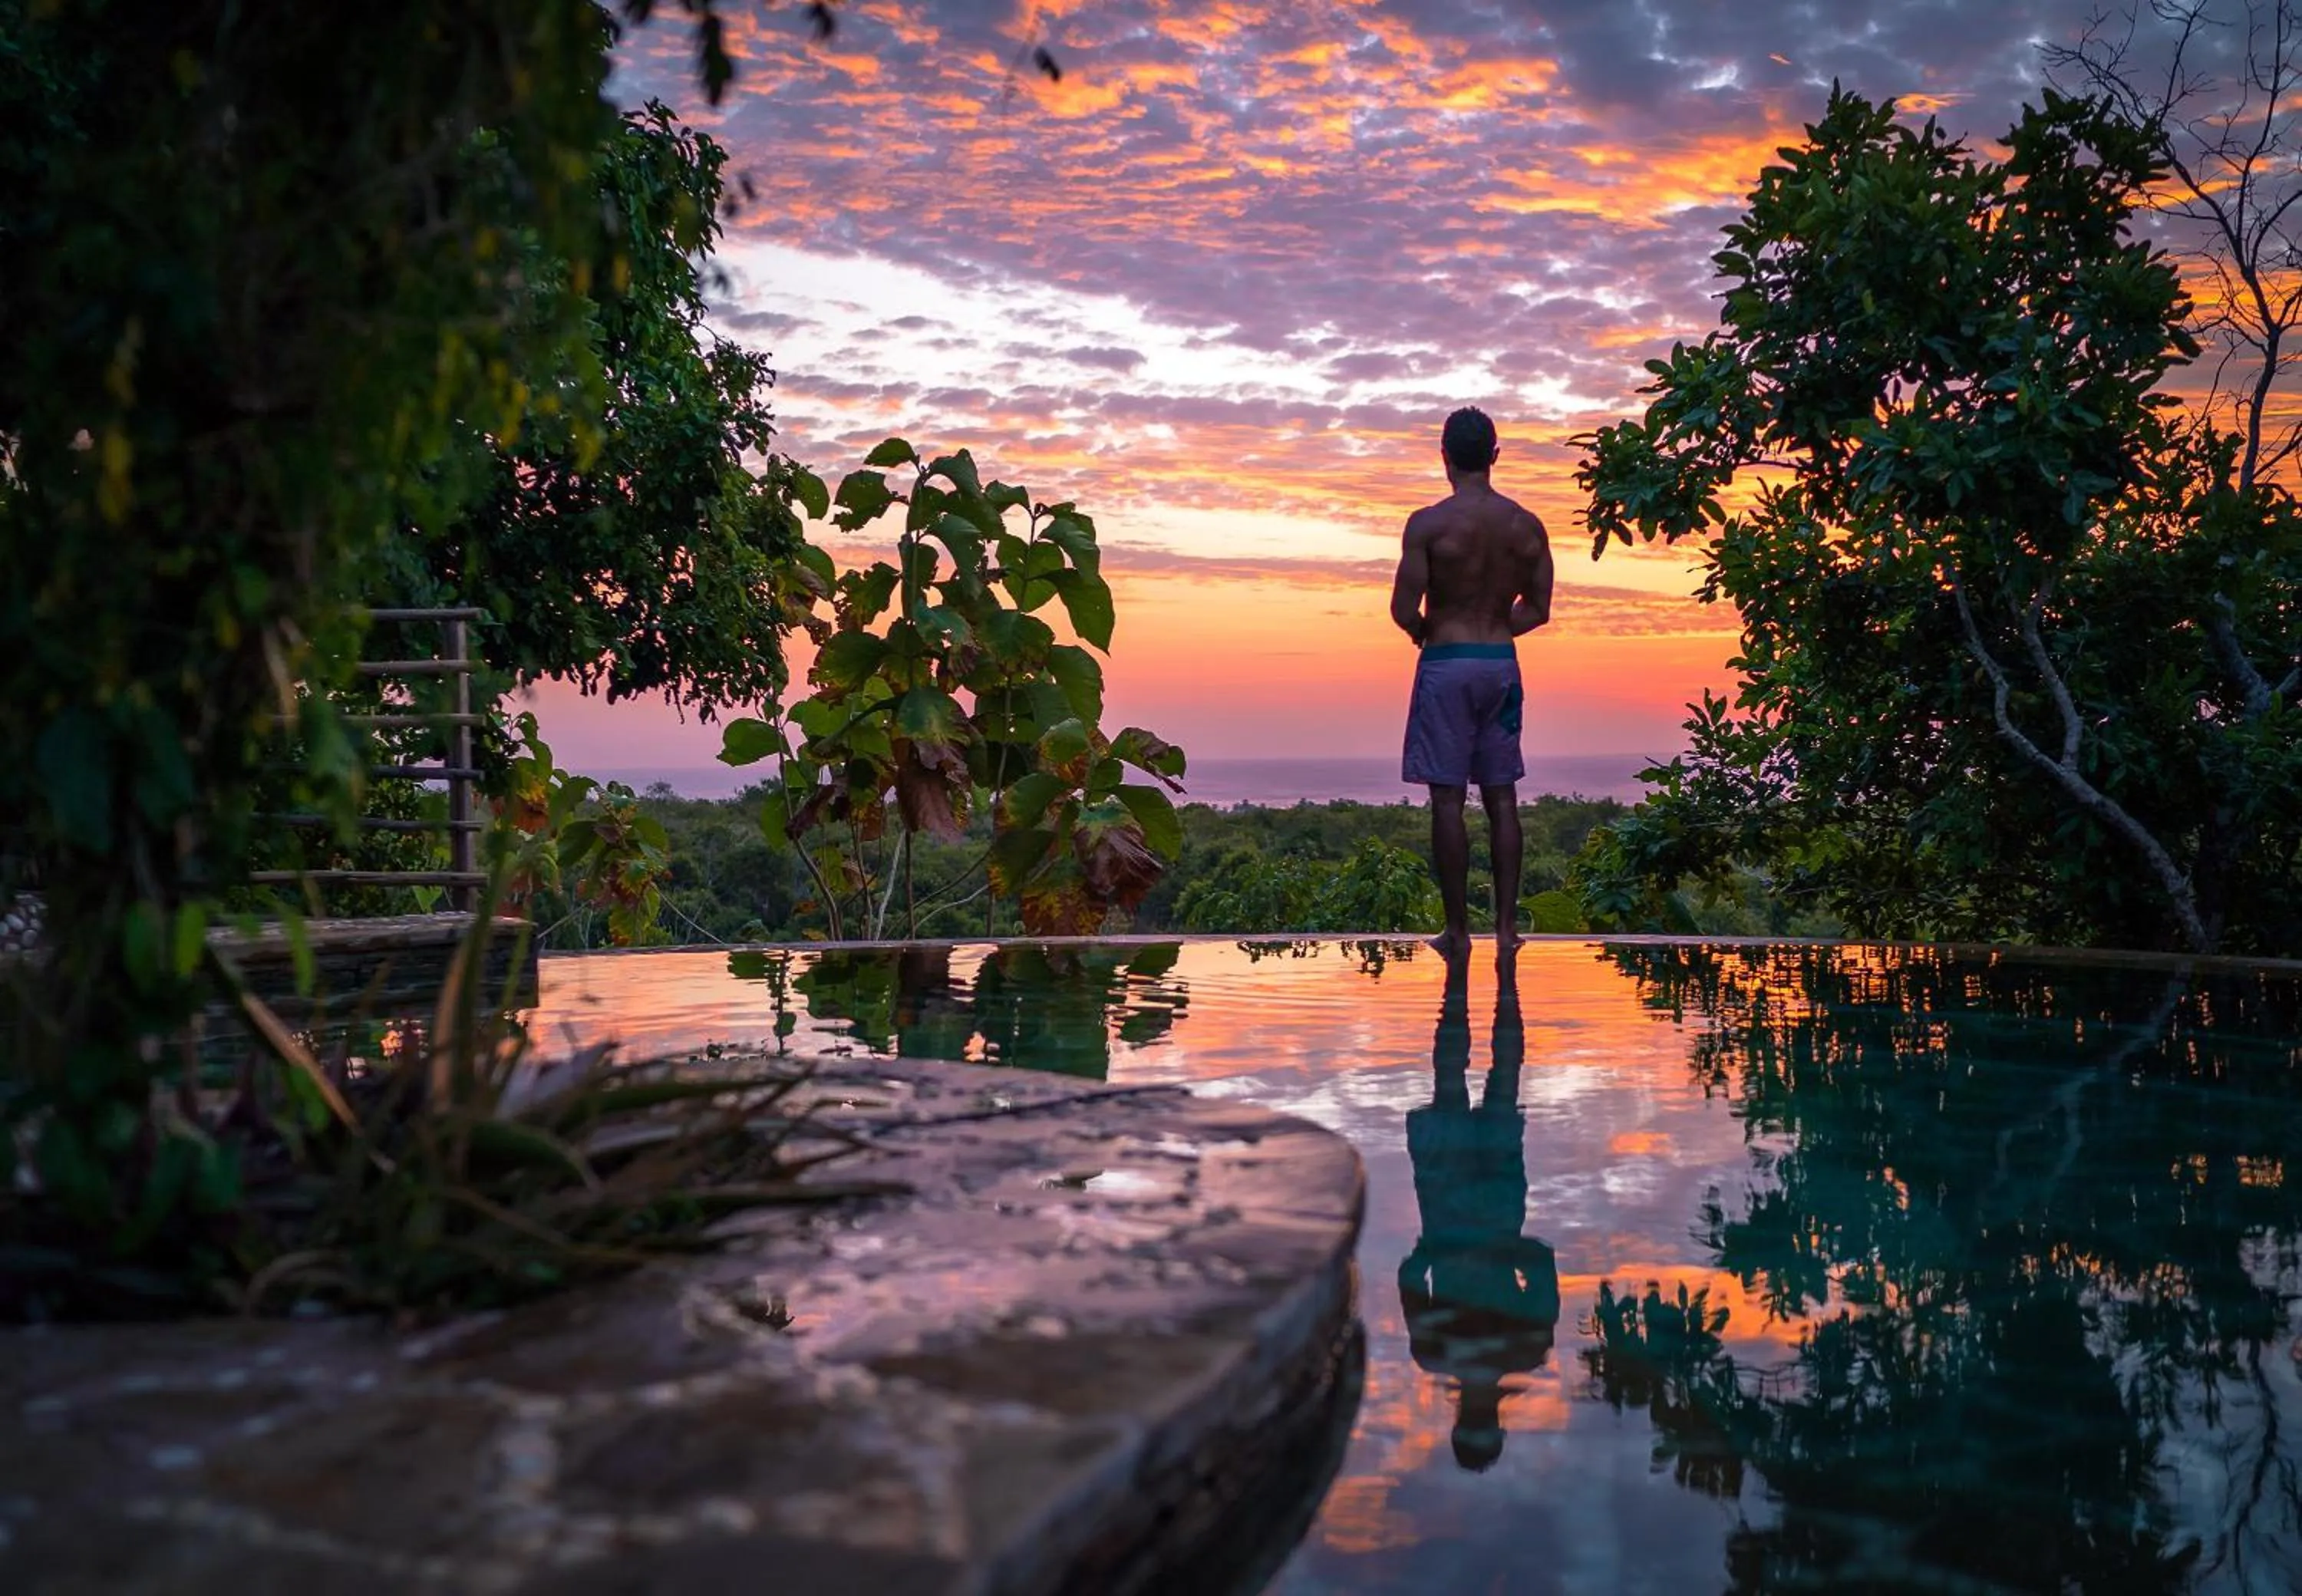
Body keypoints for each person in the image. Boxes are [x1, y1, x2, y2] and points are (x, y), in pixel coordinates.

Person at [1390, 407, 1554, 959]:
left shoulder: (1429, 524)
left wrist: (1426, 633)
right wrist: (1493, 630)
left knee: (1447, 801)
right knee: (1503, 797)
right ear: (1495, 456)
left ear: (1444, 457)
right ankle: (1506, 931)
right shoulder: (1526, 525)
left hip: (1446, 662)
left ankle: (1458, 932)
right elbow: (1539, 608)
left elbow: (1402, 608)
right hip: (1499, 662)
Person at [1397, 946, 1558, 1472]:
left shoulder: (1516, 1353)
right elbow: (1410, 1275)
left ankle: (1474, 990)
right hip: (1460, 1212)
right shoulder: (1453, 1354)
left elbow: (1540, 1265)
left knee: (1495, 1083)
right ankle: (1489, 987)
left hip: (1479, 1210)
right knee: (1466, 1081)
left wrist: (1502, 1246)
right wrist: (1437, 1248)